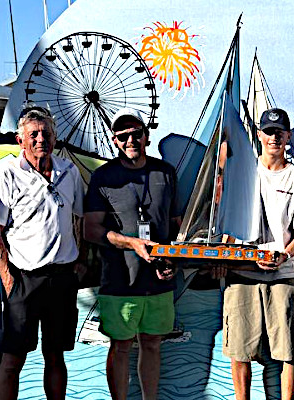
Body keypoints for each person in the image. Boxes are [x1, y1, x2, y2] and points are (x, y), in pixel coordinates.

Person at [0, 105, 85, 400]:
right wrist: (8, 279)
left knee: (56, 355)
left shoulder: (70, 172)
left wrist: (79, 263)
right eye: (33, 134)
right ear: (21, 141)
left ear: (54, 138)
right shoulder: (5, 174)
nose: (40, 139)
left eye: (46, 133)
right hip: (23, 279)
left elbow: (79, 219)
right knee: (13, 358)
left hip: (63, 278)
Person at [83, 108, 181, 400]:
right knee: (121, 347)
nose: (130, 140)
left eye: (135, 133)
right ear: (114, 140)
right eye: (122, 136)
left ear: (146, 136)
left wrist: (173, 260)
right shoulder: (103, 177)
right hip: (119, 282)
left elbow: (177, 226)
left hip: (159, 283)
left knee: (152, 344)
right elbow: (90, 230)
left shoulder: (165, 173)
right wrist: (131, 243)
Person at [221, 108, 294, 400]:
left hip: (284, 276)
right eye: (268, 131)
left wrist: (283, 256)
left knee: (288, 351)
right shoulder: (240, 171)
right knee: (239, 350)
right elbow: (226, 227)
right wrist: (224, 259)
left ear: (288, 136)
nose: (274, 137)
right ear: (258, 135)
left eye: (279, 132)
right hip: (242, 275)